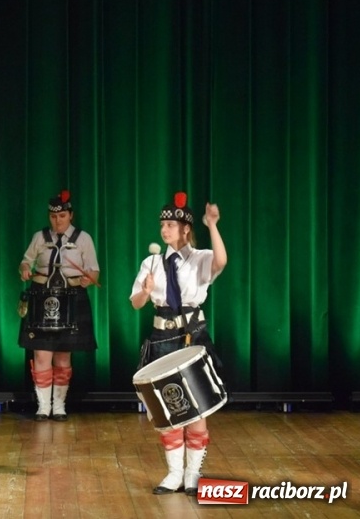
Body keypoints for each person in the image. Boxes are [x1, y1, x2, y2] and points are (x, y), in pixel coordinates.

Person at [129, 192, 227, 496]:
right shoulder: (152, 261)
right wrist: (145, 292)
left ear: (185, 229)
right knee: (167, 408)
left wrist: (212, 225)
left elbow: (222, 261)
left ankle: (193, 474)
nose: (165, 229)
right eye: (163, 224)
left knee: (197, 409)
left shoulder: (201, 258)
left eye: (170, 224)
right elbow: (135, 303)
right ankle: (173, 474)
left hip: (192, 335)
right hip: (161, 336)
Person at [18, 189, 100, 422]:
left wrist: (89, 279)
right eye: (53, 217)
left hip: (72, 297)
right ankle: (43, 407)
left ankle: (60, 406)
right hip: (42, 296)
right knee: (42, 354)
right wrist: (24, 268)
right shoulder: (40, 237)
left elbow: (94, 269)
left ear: (70, 215)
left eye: (62, 216)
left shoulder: (83, 239)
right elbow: (26, 261)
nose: (57, 221)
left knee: (63, 356)